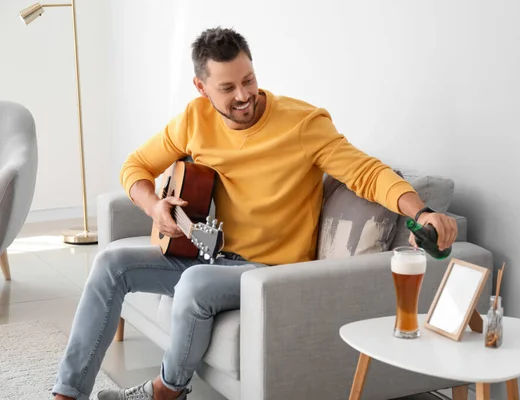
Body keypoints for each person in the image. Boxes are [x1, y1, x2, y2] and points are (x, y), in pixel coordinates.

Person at [52, 27, 458, 400]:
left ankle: (166, 391)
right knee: (109, 263)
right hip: (213, 258)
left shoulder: (303, 123)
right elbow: (135, 167)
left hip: (271, 271)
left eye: (248, 80)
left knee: (194, 283)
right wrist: (154, 205)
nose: (243, 95)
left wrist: (421, 211)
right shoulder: (195, 119)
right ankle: (67, 393)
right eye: (227, 87)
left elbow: (368, 174)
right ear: (201, 87)